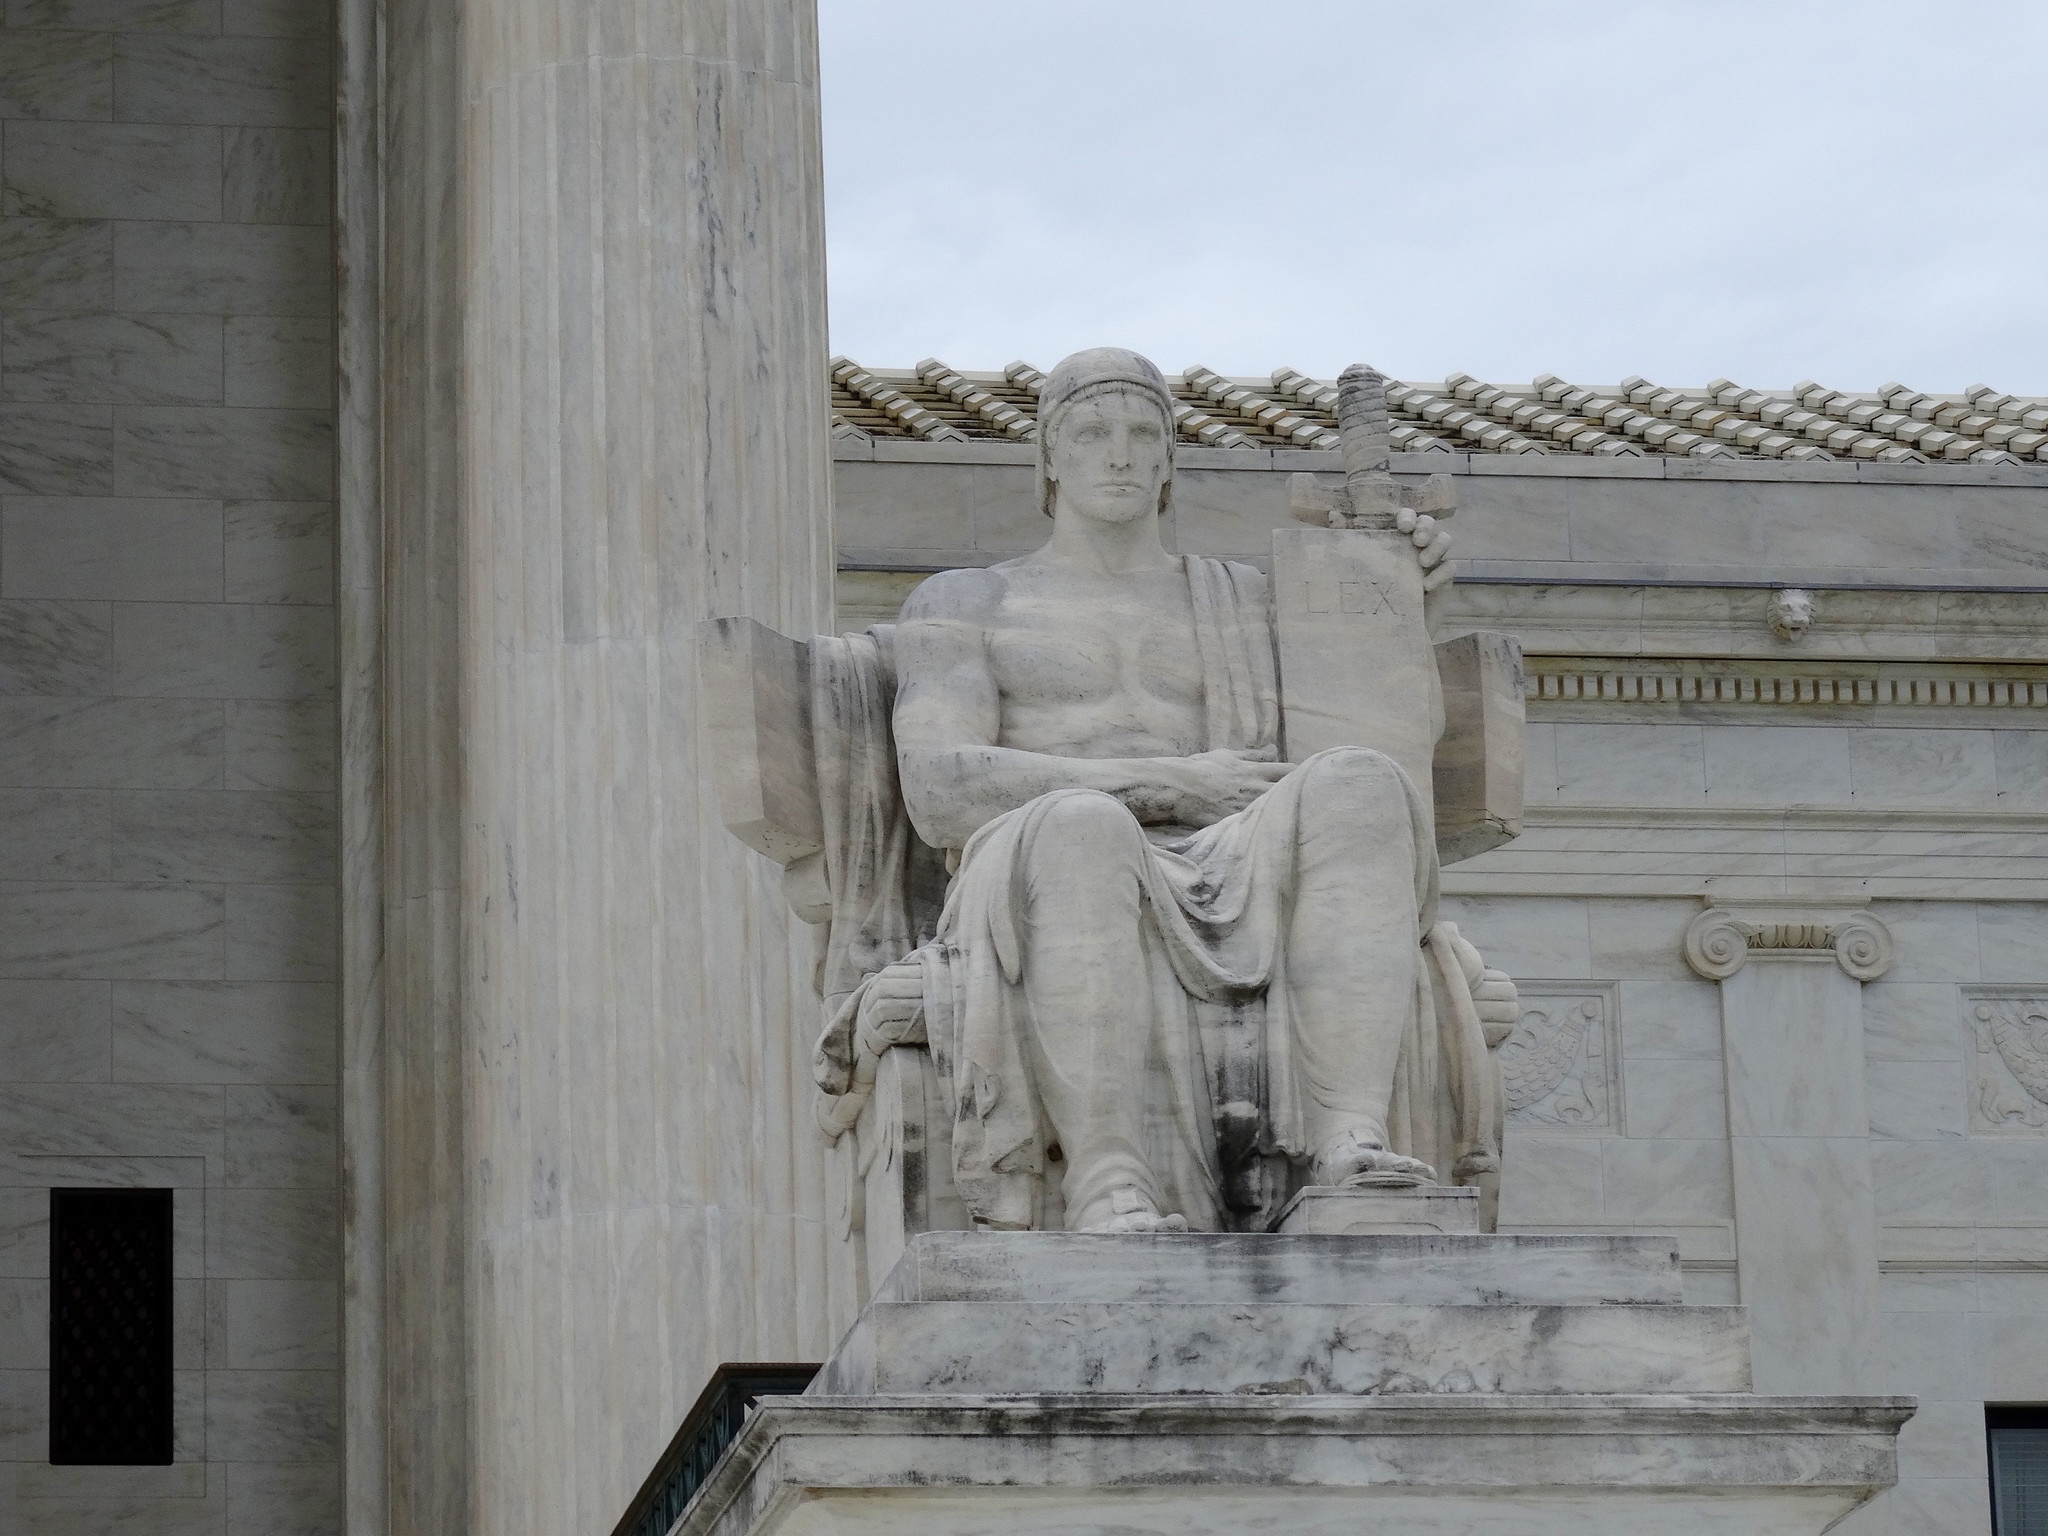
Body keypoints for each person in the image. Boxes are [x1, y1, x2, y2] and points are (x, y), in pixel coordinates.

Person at [848, 347, 1514, 1233]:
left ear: (1169, 460)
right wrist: (1168, 782)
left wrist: (1394, 603)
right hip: (1046, 858)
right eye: (1092, 432)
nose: (1119, 454)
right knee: (1085, 825)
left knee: (1360, 783)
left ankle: (1351, 1142)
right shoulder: (969, 602)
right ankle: (1106, 1177)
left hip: (1236, 852)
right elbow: (940, 789)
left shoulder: (1248, 600)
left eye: (1142, 434)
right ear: (1049, 458)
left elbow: (1380, 737)